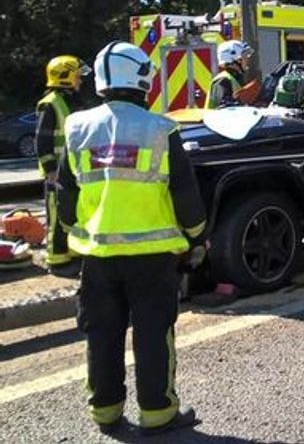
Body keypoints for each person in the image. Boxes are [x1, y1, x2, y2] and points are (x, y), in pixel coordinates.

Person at [58, 41, 207, 435]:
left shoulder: (76, 127)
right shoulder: (161, 129)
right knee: (153, 334)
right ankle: (157, 412)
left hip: (98, 256)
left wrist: (73, 236)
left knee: (101, 333)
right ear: (142, 79)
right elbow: (184, 191)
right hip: (152, 257)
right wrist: (197, 237)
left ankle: (105, 411)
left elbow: (66, 193)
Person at [36, 55, 91, 274]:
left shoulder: (71, 102)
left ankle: (72, 254)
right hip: (57, 173)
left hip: (72, 171)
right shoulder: (50, 104)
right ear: (65, 77)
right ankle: (57, 260)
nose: (80, 81)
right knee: (57, 216)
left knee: (72, 213)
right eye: (77, 76)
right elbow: (42, 141)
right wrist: (50, 170)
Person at [206, 39, 252, 108]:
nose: (248, 59)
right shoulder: (222, 81)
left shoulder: (235, 78)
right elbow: (225, 109)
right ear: (235, 59)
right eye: (244, 56)